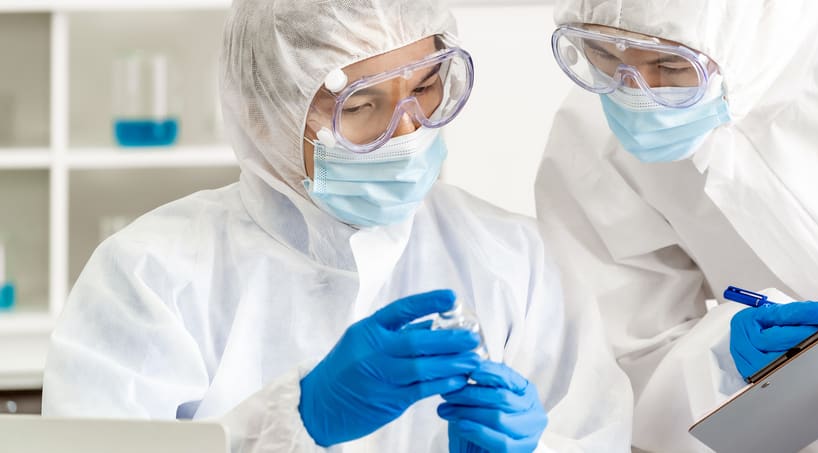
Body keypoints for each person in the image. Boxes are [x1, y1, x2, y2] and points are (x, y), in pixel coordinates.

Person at [41, 0, 633, 451]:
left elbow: (594, 432)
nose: (408, 132)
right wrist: (293, 422)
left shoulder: (512, 258)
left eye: (425, 88)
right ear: (265, 111)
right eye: (359, 106)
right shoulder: (151, 276)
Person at [535, 0, 818, 451]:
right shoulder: (591, 142)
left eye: (671, 67)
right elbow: (619, 361)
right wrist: (719, 363)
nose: (635, 90)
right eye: (602, 54)